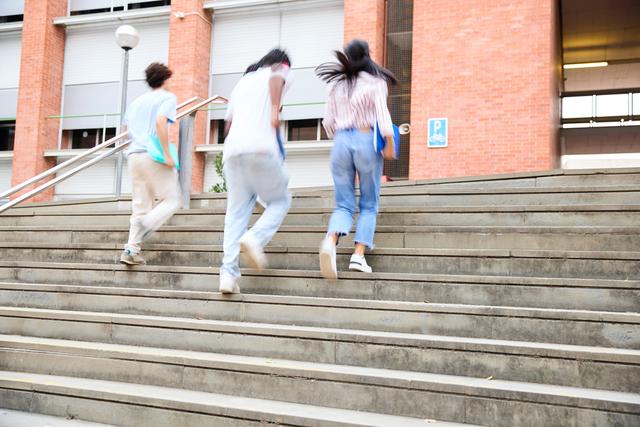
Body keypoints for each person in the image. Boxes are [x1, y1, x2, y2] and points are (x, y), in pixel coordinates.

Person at [316, 39, 397, 279]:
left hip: (340, 141)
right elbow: (383, 116)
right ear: (367, 56)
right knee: (369, 203)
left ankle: (331, 240)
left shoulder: (336, 84)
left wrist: (342, 137)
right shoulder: (375, 82)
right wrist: (389, 143)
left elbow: (328, 122)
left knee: (343, 203)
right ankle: (358, 256)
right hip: (365, 139)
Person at [218, 48, 293, 294]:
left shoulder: (241, 83)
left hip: (232, 153)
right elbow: (277, 77)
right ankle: (255, 238)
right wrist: (274, 110)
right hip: (260, 149)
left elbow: (227, 125)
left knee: (235, 215)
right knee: (281, 201)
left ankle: (228, 275)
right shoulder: (276, 71)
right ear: (280, 63)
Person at [119, 62, 181, 265]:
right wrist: (167, 154)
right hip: (152, 154)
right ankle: (148, 223)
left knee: (140, 206)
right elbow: (160, 122)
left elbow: (125, 132)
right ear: (166, 79)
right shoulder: (167, 98)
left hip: (134, 155)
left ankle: (131, 250)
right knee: (172, 200)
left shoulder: (137, 102)